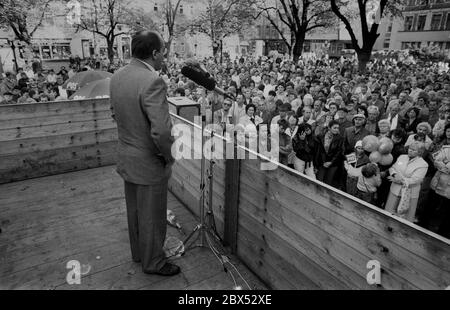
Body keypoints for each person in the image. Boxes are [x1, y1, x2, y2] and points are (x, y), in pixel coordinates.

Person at [109, 30, 180, 276]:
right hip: (149, 162)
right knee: (152, 216)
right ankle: (154, 263)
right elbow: (161, 131)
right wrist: (170, 157)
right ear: (154, 53)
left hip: (127, 156)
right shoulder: (153, 81)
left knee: (136, 212)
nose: (164, 57)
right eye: (163, 52)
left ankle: (140, 254)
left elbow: (115, 114)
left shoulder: (117, 76)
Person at [417, 123, 450, 238]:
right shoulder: (440, 143)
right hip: (436, 176)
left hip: (448, 182)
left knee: (446, 207)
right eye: (448, 131)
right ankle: (423, 223)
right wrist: (440, 164)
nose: (449, 133)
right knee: (430, 200)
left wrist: (446, 165)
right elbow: (433, 157)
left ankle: (443, 233)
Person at [385, 141, 428, 222]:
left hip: (409, 194)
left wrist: (400, 180)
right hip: (395, 190)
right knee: (389, 212)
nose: (410, 151)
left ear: (420, 152)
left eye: (414, 150)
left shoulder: (423, 164)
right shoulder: (402, 157)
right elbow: (393, 168)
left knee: (404, 219)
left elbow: (416, 179)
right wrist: (394, 174)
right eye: (410, 149)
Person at [316, 120, 344, 187]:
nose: (337, 130)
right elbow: (318, 151)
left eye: (338, 128)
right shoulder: (320, 136)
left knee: (328, 183)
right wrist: (323, 162)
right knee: (319, 181)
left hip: (333, 164)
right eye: (335, 128)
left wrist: (331, 162)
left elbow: (339, 152)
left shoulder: (340, 138)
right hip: (322, 163)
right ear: (329, 128)